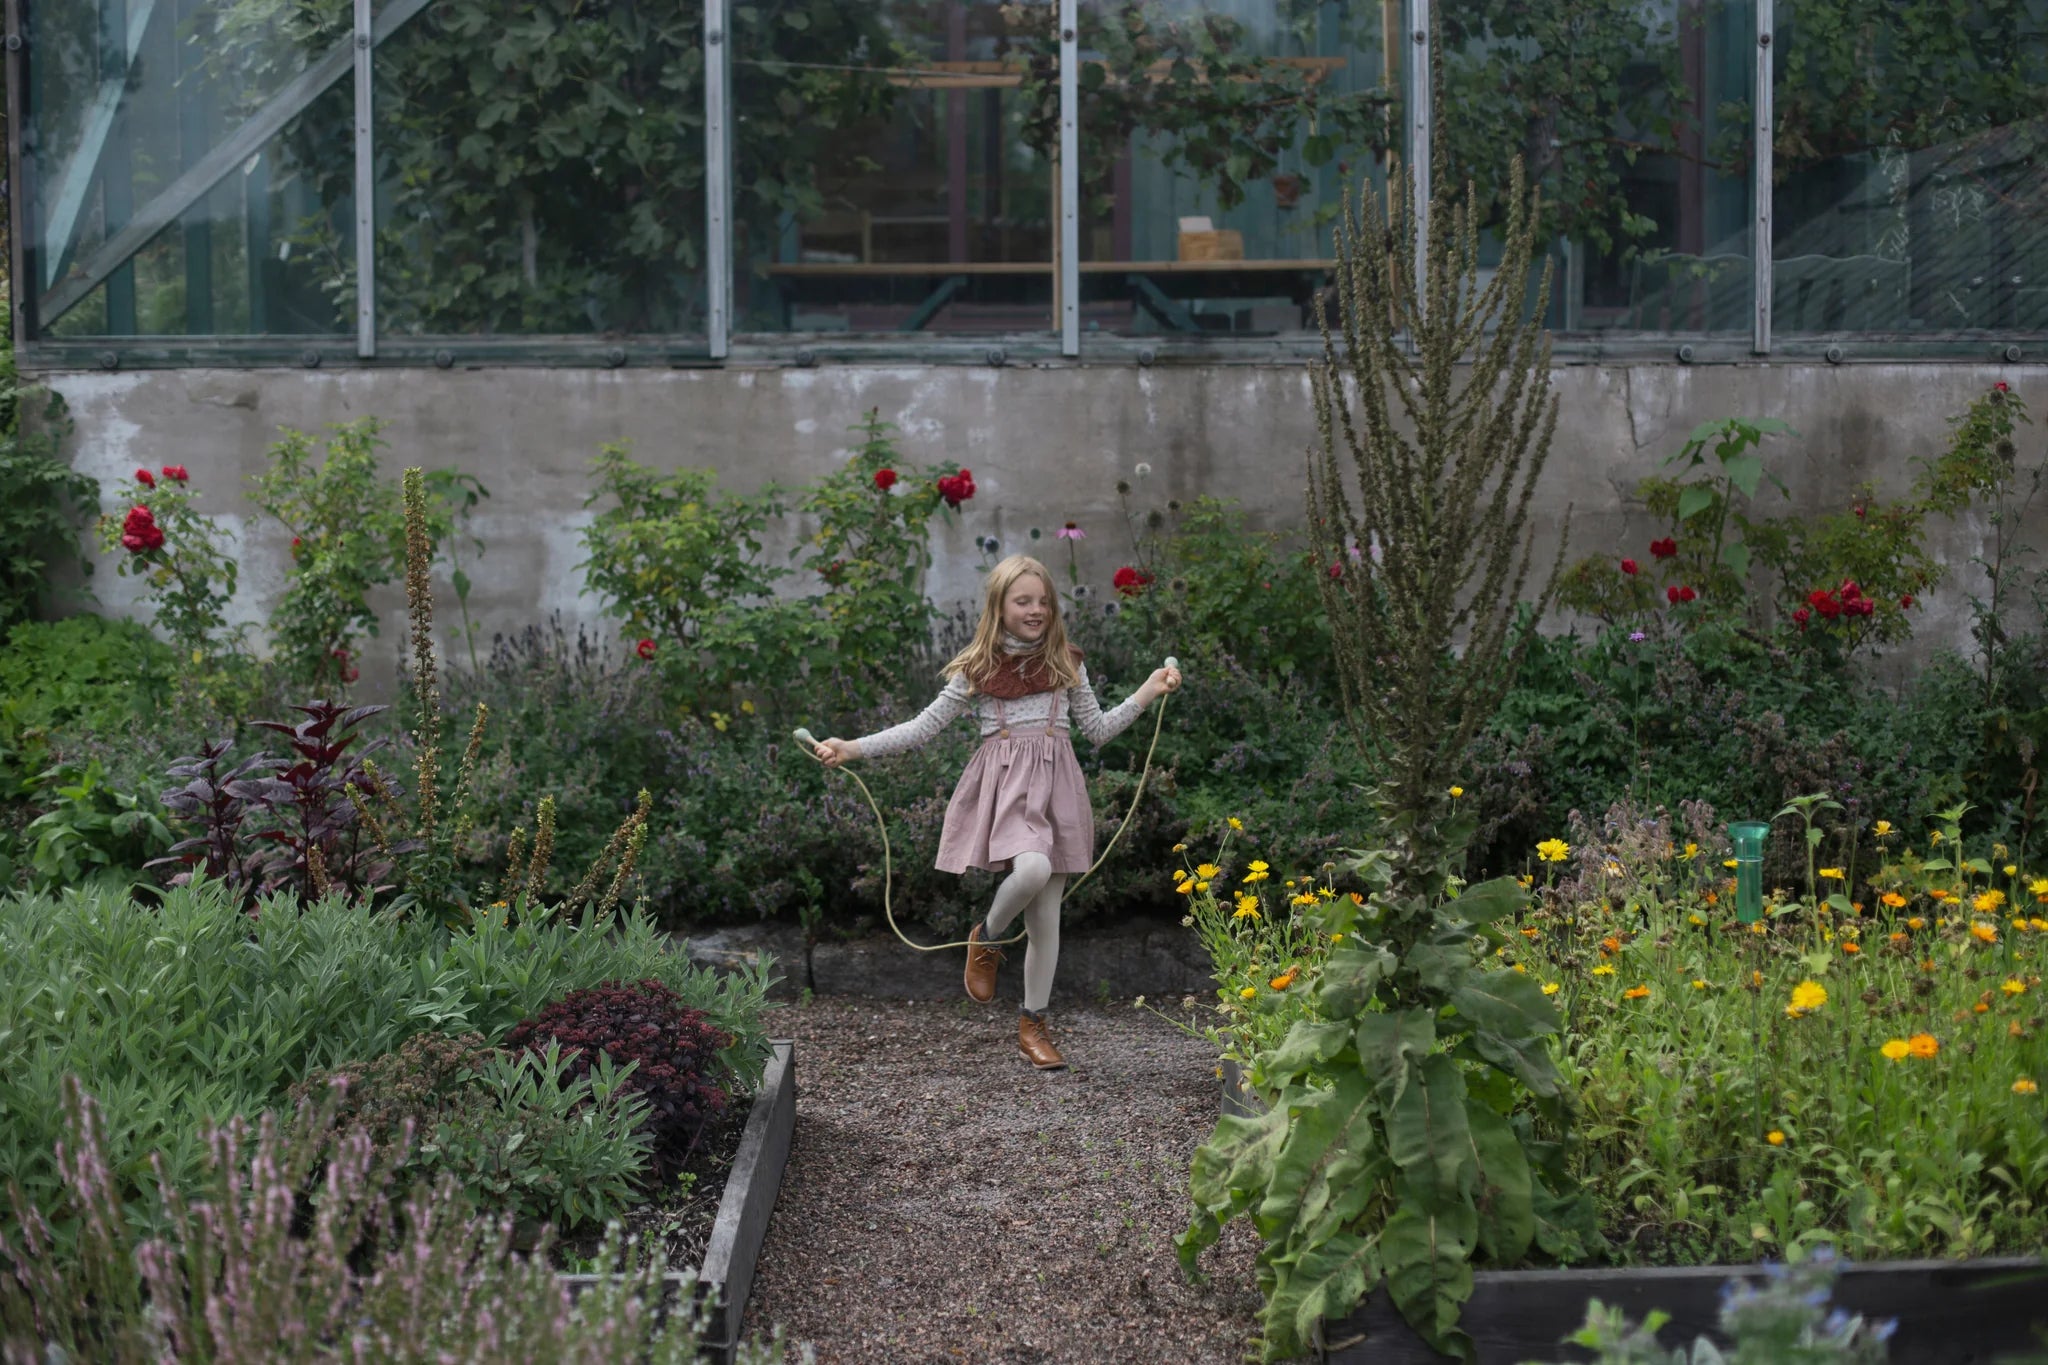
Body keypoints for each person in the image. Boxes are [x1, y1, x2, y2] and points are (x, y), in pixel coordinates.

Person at [813, 554, 1181, 1069]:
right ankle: (985, 938)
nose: (1036, 610)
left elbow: (1097, 730)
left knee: (1047, 918)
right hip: (1008, 791)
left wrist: (1147, 691)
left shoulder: (1066, 662)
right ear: (999, 607)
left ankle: (1034, 1025)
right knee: (1033, 869)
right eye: (1022, 601)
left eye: (1043, 601)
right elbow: (923, 727)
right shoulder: (978, 669)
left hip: (1058, 791)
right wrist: (852, 747)